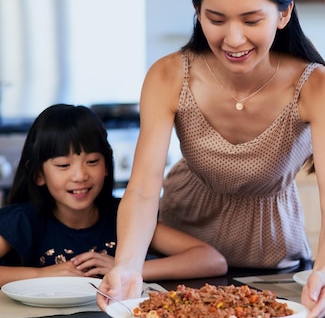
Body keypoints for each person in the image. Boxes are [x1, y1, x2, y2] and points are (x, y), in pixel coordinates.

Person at [98, 0, 325, 318]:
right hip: (179, 258)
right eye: (216, 19)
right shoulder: (170, 75)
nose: (233, 39)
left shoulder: (317, 87)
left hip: (272, 259)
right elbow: (143, 189)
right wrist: (128, 265)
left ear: (284, 13)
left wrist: (324, 272)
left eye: (252, 20)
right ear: (198, 11)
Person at [0, 104, 227, 287]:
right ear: (38, 174)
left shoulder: (126, 216)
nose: (80, 175)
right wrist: (44, 275)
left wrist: (127, 269)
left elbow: (212, 261)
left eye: (92, 162)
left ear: (107, 166)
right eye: (63, 165)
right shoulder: (23, 219)